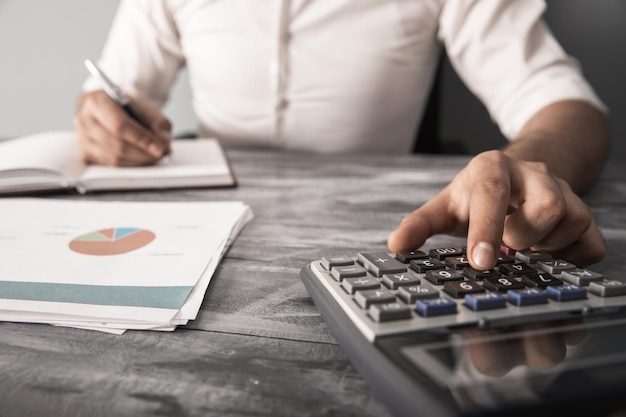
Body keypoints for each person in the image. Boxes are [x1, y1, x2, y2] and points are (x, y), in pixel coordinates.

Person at [74, 0, 611, 271]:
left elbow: (566, 107)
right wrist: (99, 118)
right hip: (196, 234)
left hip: (375, 247)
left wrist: (520, 170)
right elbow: (112, 95)